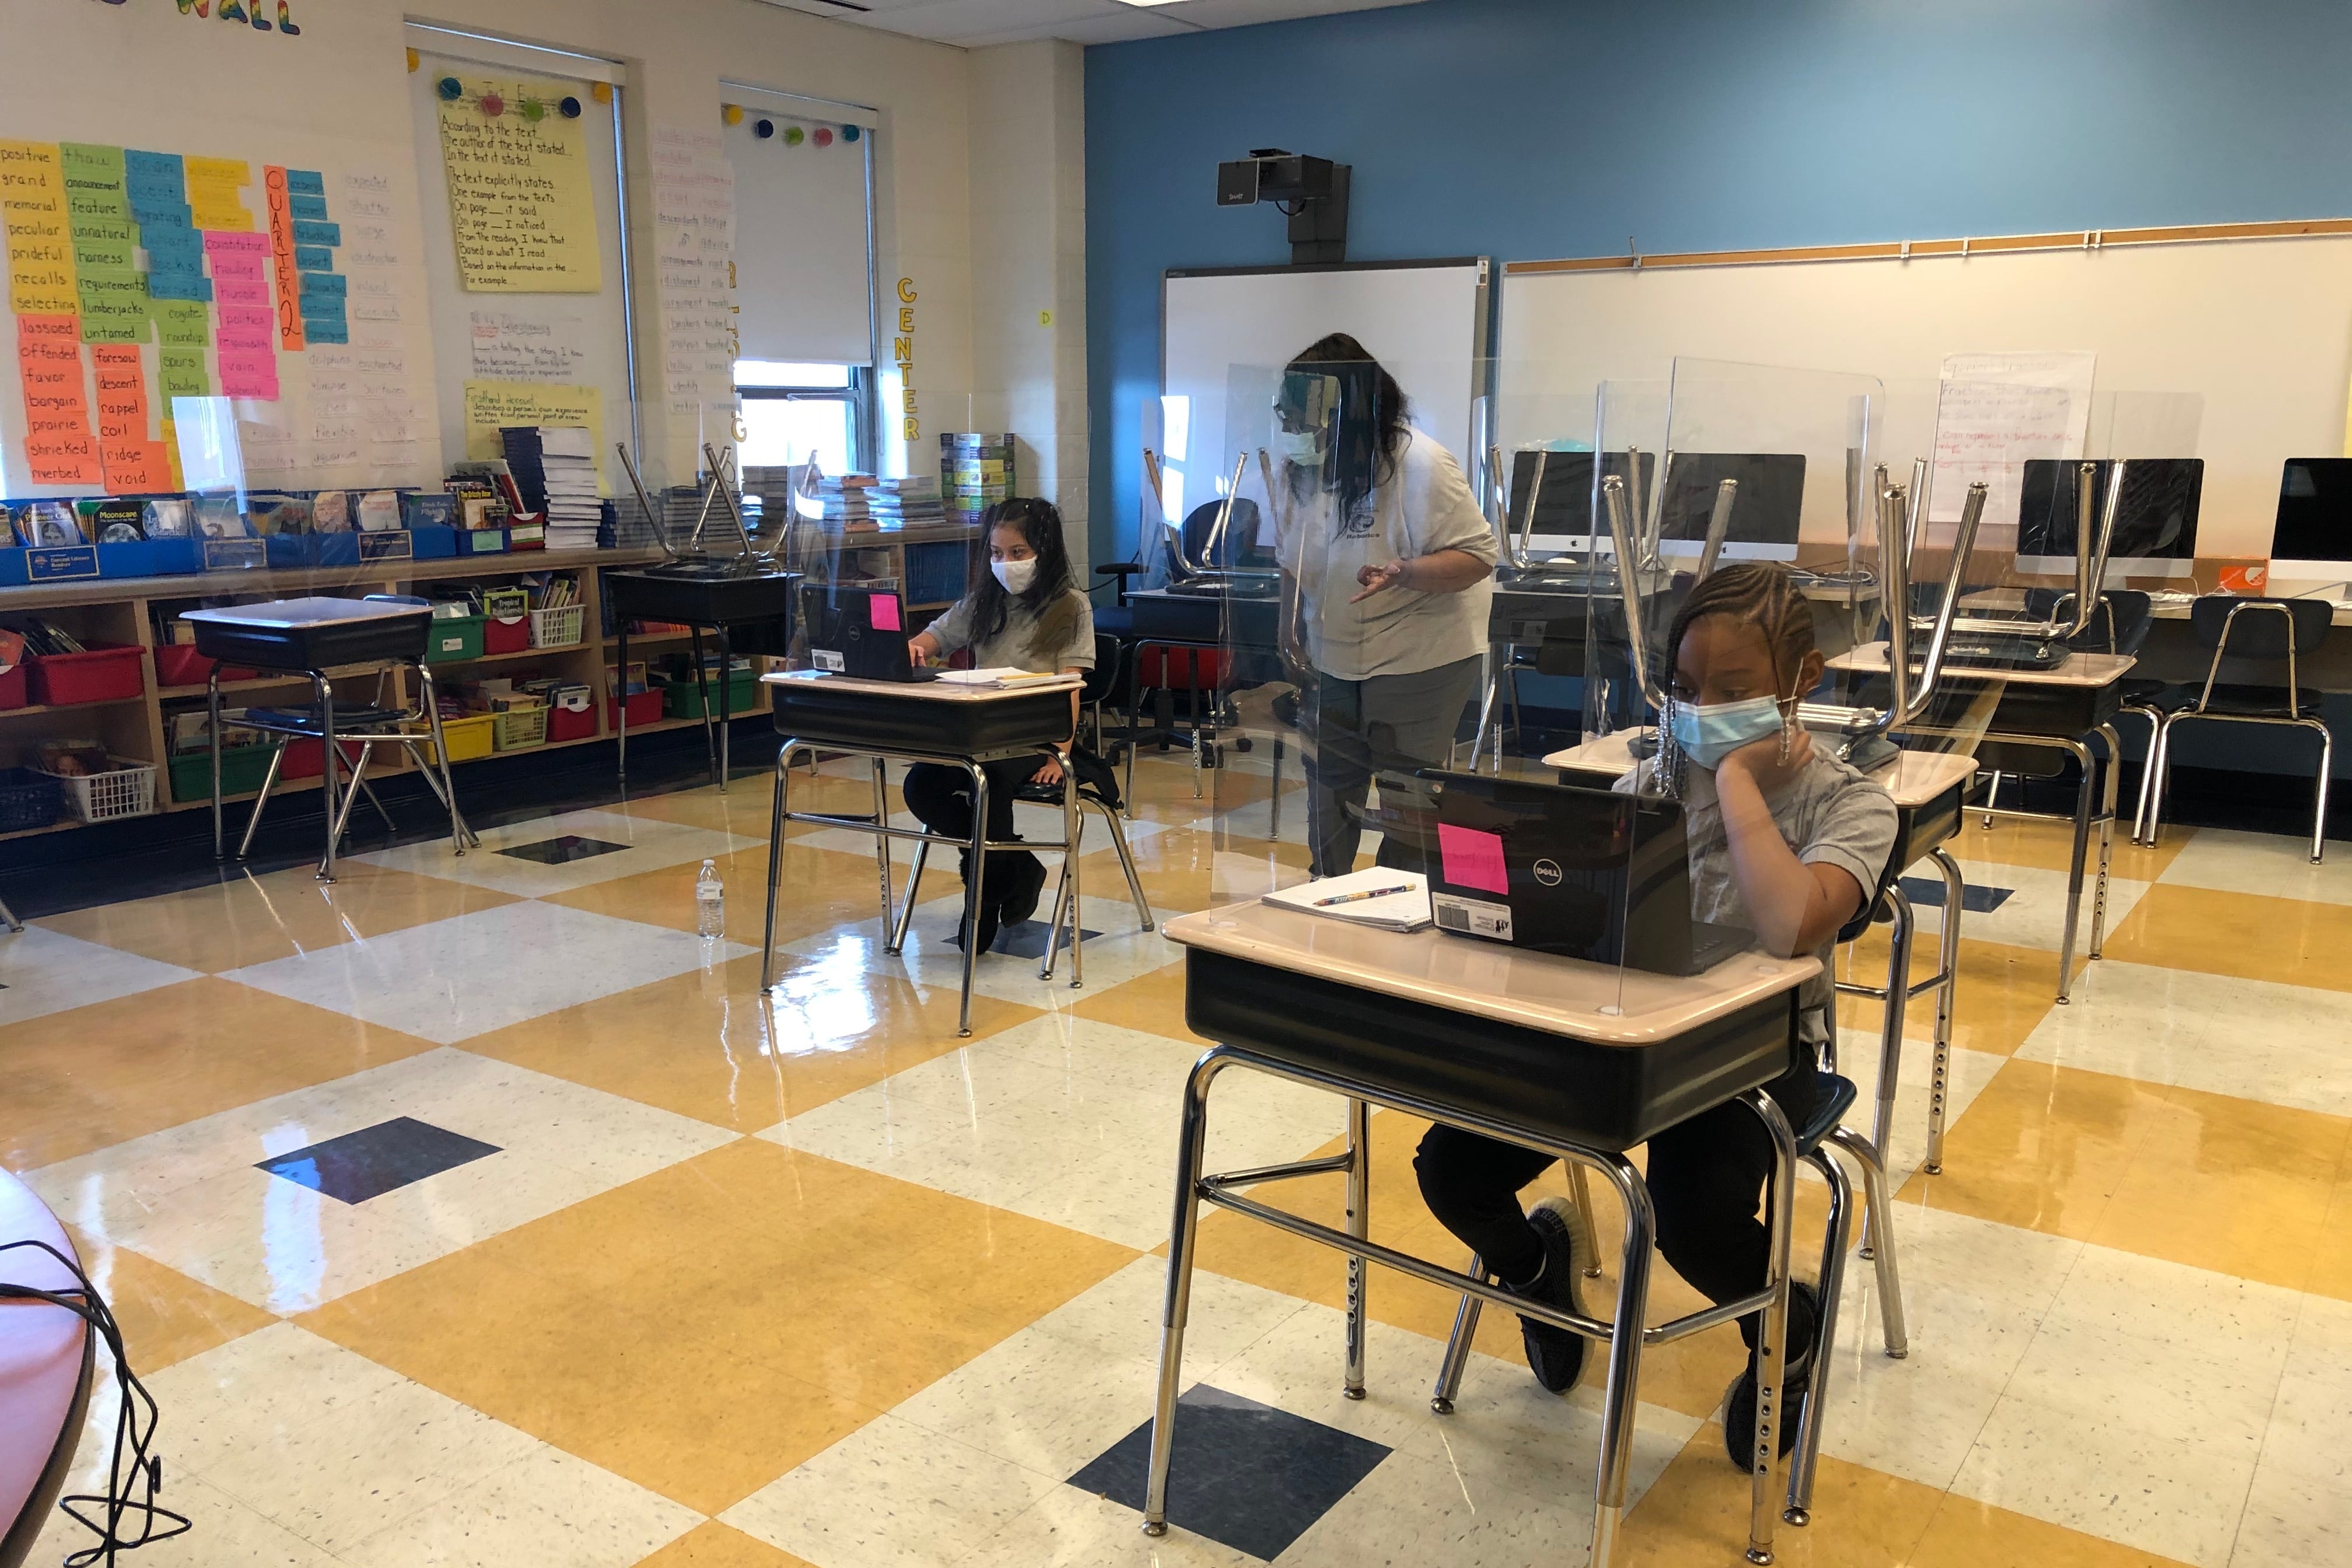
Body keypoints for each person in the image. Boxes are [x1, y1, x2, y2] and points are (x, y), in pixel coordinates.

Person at [1411, 562, 1897, 1464]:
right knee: (1451, 1169)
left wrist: (1742, 781)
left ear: (1805, 683)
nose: (1701, 708)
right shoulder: (1654, 785)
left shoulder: (1851, 804)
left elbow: (1791, 923)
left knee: (1695, 1217)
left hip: (1755, 1059)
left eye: (1735, 691)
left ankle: (1788, 1334)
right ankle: (1535, 1273)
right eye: (1684, 689)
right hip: (1627, 1040)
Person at [1270, 334, 1496, 877]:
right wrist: (1288, 631)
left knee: (1406, 794)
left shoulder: (1421, 463)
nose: (1293, 433)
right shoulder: (1304, 468)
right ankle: (1325, 889)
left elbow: (1478, 556)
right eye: (1289, 418)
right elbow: (1292, 557)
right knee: (1328, 783)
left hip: (1419, 656)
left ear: (1349, 412)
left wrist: (1405, 571)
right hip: (1333, 652)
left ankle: (1402, 902)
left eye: (1305, 421)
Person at [902, 496, 1096, 954]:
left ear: (1044, 552)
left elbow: (1071, 688)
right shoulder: (983, 602)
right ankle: (1016, 865)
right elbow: (934, 637)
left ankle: (983, 897)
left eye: (1017, 553)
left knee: (987, 785)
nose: (1005, 563)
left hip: (1035, 735)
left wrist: (1060, 751)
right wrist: (915, 646)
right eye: (996, 554)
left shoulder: (1072, 606)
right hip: (980, 732)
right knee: (921, 786)